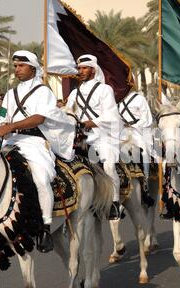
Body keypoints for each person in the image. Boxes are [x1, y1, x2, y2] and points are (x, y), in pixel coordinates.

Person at [0, 50, 76, 253]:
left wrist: (11, 126)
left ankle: (46, 226)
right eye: (15, 66)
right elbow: (1, 115)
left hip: (35, 141)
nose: (17, 69)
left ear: (33, 67)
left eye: (21, 65)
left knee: (40, 178)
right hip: (10, 141)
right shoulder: (10, 94)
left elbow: (39, 118)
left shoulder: (43, 91)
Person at [66, 54, 125, 220]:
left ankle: (114, 204)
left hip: (103, 136)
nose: (81, 71)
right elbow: (68, 114)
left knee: (108, 167)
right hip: (81, 139)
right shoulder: (74, 93)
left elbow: (111, 117)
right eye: (79, 68)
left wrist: (87, 123)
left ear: (93, 70)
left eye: (84, 68)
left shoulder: (105, 90)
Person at [118, 88, 154, 181]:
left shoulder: (140, 99)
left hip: (137, 131)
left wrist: (134, 126)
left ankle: (145, 178)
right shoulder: (117, 99)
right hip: (122, 131)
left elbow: (146, 119)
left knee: (144, 150)